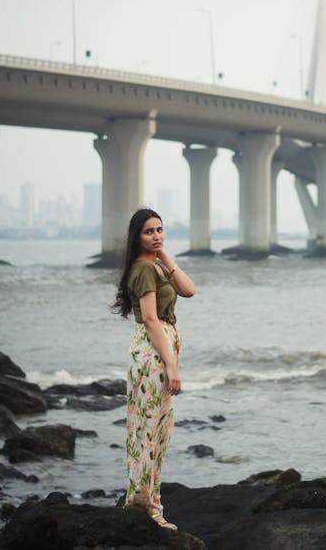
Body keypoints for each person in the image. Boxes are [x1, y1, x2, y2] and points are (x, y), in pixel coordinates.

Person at [113, 207, 195, 530]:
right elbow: (150, 319)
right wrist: (171, 365)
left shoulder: (155, 267)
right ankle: (148, 507)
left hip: (157, 347)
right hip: (153, 352)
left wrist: (166, 257)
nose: (157, 235)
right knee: (149, 431)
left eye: (160, 230)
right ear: (137, 237)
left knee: (156, 429)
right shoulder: (143, 271)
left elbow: (189, 290)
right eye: (149, 231)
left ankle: (144, 500)